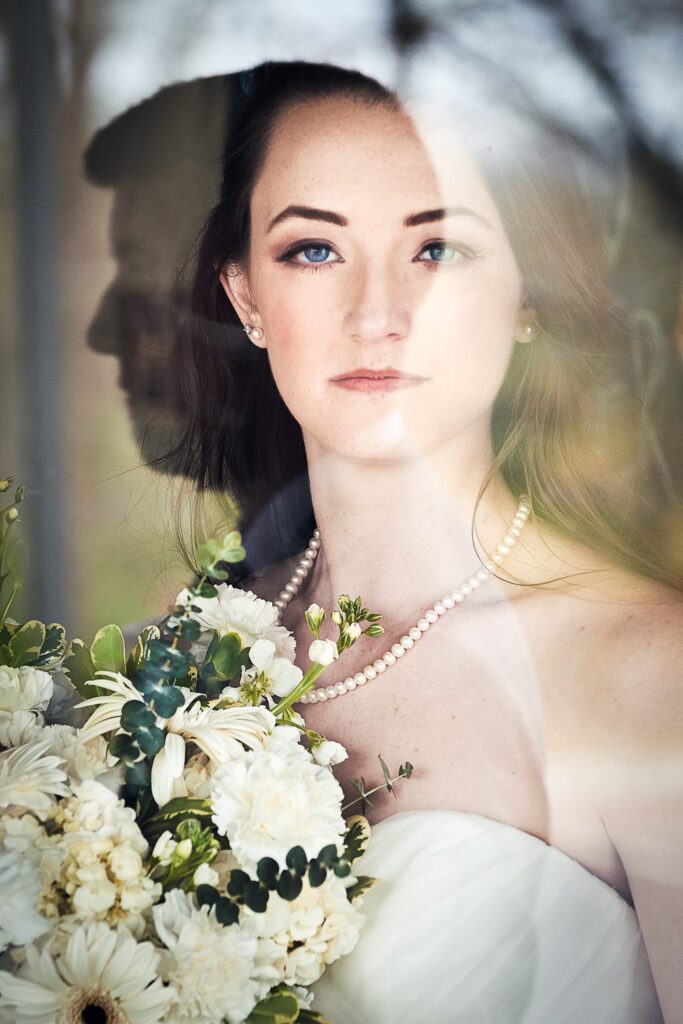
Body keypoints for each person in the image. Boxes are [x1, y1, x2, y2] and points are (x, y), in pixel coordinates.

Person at [157, 58, 682, 1021]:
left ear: (527, 295)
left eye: (436, 249)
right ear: (245, 301)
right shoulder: (182, 664)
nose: (376, 315)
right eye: (314, 250)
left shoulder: (651, 675)